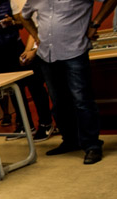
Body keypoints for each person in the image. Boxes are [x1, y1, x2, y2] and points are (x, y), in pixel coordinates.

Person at [21, 0, 117, 164]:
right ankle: (70, 140)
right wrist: (36, 37)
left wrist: (95, 24)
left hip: (75, 51)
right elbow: (24, 16)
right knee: (58, 101)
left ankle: (92, 145)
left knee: (82, 100)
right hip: (47, 55)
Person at [0, 0, 54, 141]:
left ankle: (46, 123)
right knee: (13, 90)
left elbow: (24, 24)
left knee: (35, 86)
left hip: (16, 48)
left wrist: (13, 23)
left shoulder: (11, 4)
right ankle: (25, 125)